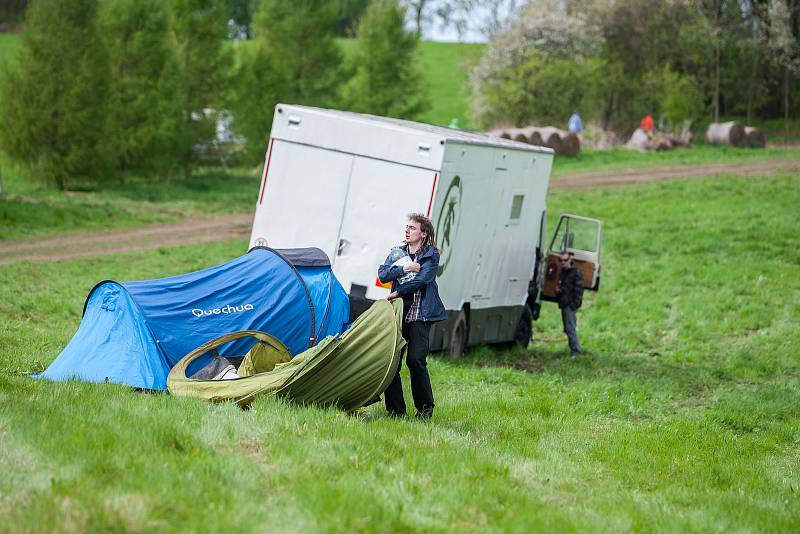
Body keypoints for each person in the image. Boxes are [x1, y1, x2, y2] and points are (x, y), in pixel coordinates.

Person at [378, 213, 447, 420]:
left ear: (423, 233)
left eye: (412, 228)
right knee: (392, 362)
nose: (407, 230)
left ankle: (425, 409)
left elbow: (424, 279)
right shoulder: (397, 252)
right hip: (399, 313)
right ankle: (396, 411)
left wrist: (399, 291)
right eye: (407, 227)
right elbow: (382, 275)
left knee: (416, 360)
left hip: (421, 314)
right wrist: (404, 268)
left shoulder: (431, 255)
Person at [556, 252, 584, 357]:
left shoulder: (575, 273)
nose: (562, 262)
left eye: (565, 260)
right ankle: (574, 349)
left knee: (570, 328)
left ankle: (576, 351)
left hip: (569, 305)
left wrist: (573, 305)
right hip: (564, 304)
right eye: (560, 260)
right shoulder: (563, 272)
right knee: (568, 328)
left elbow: (579, 291)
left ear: (570, 260)